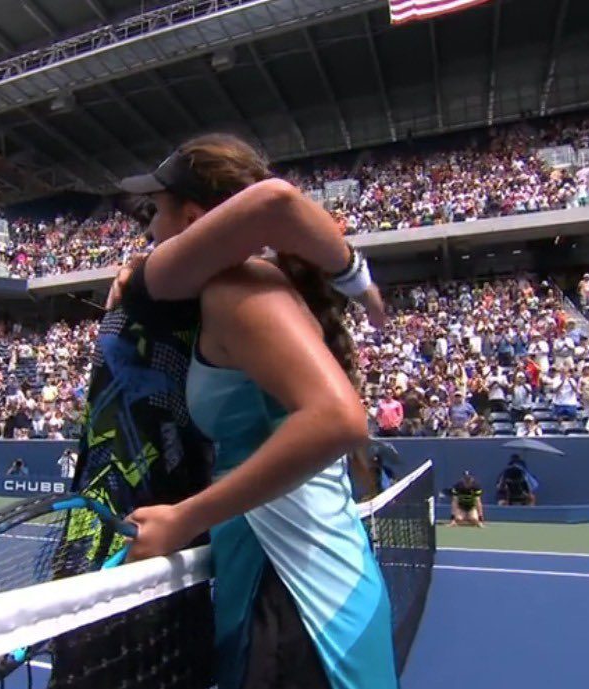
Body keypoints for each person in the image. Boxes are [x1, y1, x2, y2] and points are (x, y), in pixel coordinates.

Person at [120, 134, 396, 689]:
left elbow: (339, 419)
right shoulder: (234, 291)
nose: (147, 232)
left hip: (302, 601)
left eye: (156, 212)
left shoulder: (237, 291)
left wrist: (186, 517)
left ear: (195, 219)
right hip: (279, 581)